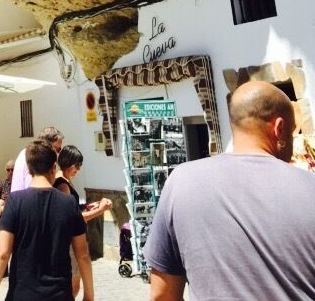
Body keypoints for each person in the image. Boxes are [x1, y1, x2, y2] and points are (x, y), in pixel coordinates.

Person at [145, 81, 315, 300]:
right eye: (291, 132)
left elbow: (161, 295)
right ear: (279, 127)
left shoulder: (181, 182)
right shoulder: (309, 187)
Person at [0, 139, 93, 301]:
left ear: (29, 170)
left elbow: (2, 253)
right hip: (59, 294)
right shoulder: (69, 203)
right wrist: (89, 296)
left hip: (22, 294)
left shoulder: (15, 201)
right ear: (53, 167)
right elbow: (83, 254)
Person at [53, 145, 113, 298]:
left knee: (74, 285)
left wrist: (88, 206)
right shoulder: (63, 185)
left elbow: (72, 210)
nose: (78, 169)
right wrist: (101, 210)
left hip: (69, 240)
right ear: (69, 163)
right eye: (77, 165)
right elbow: (73, 218)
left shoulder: (64, 181)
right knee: (73, 287)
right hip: (70, 242)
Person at [10, 125, 63, 193]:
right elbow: (34, 190)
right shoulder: (33, 156)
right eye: (56, 148)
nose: (56, 153)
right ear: (45, 144)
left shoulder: (29, 153)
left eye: (59, 150)